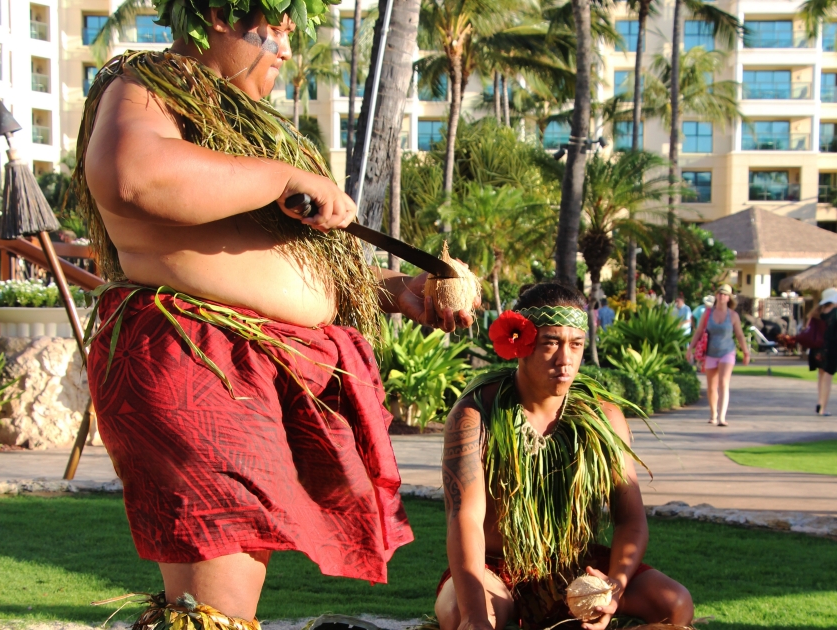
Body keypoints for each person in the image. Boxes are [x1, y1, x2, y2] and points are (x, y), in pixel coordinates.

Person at [72, 2, 476, 626]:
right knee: (217, 597)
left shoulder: (227, 131)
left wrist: (394, 289)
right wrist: (281, 175)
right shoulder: (148, 82)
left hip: (234, 360)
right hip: (195, 353)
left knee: (214, 599)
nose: (287, 48)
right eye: (275, 28)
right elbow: (132, 174)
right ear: (214, 14)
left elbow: (259, 264)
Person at [435, 282, 693, 630]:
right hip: (494, 567)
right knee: (459, 614)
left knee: (674, 605)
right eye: (551, 343)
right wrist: (474, 616)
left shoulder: (603, 416)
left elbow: (630, 519)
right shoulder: (476, 414)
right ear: (521, 343)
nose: (565, 359)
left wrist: (614, 586)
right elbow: (464, 518)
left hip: (576, 565)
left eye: (576, 345)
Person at [687, 284, 750, 426]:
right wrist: (690, 348)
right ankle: (713, 414)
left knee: (723, 383)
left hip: (727, 352)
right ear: (716, 296)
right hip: (710, 353)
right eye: (720, 294)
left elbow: (739, 335)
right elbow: (698, 331)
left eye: (725, 294)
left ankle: (722, 417)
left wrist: (746, 352)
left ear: (729, 298)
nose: (722, 297)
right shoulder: (708, 313)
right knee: (711, 386)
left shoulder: (733, 315)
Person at [812, 289, 837, 416]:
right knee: (827, 378)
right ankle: (823, 408)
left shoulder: (817, 313)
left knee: (821, 377)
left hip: (817, 348)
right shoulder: (835, 313)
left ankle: (819, 403)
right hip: (831, 349)